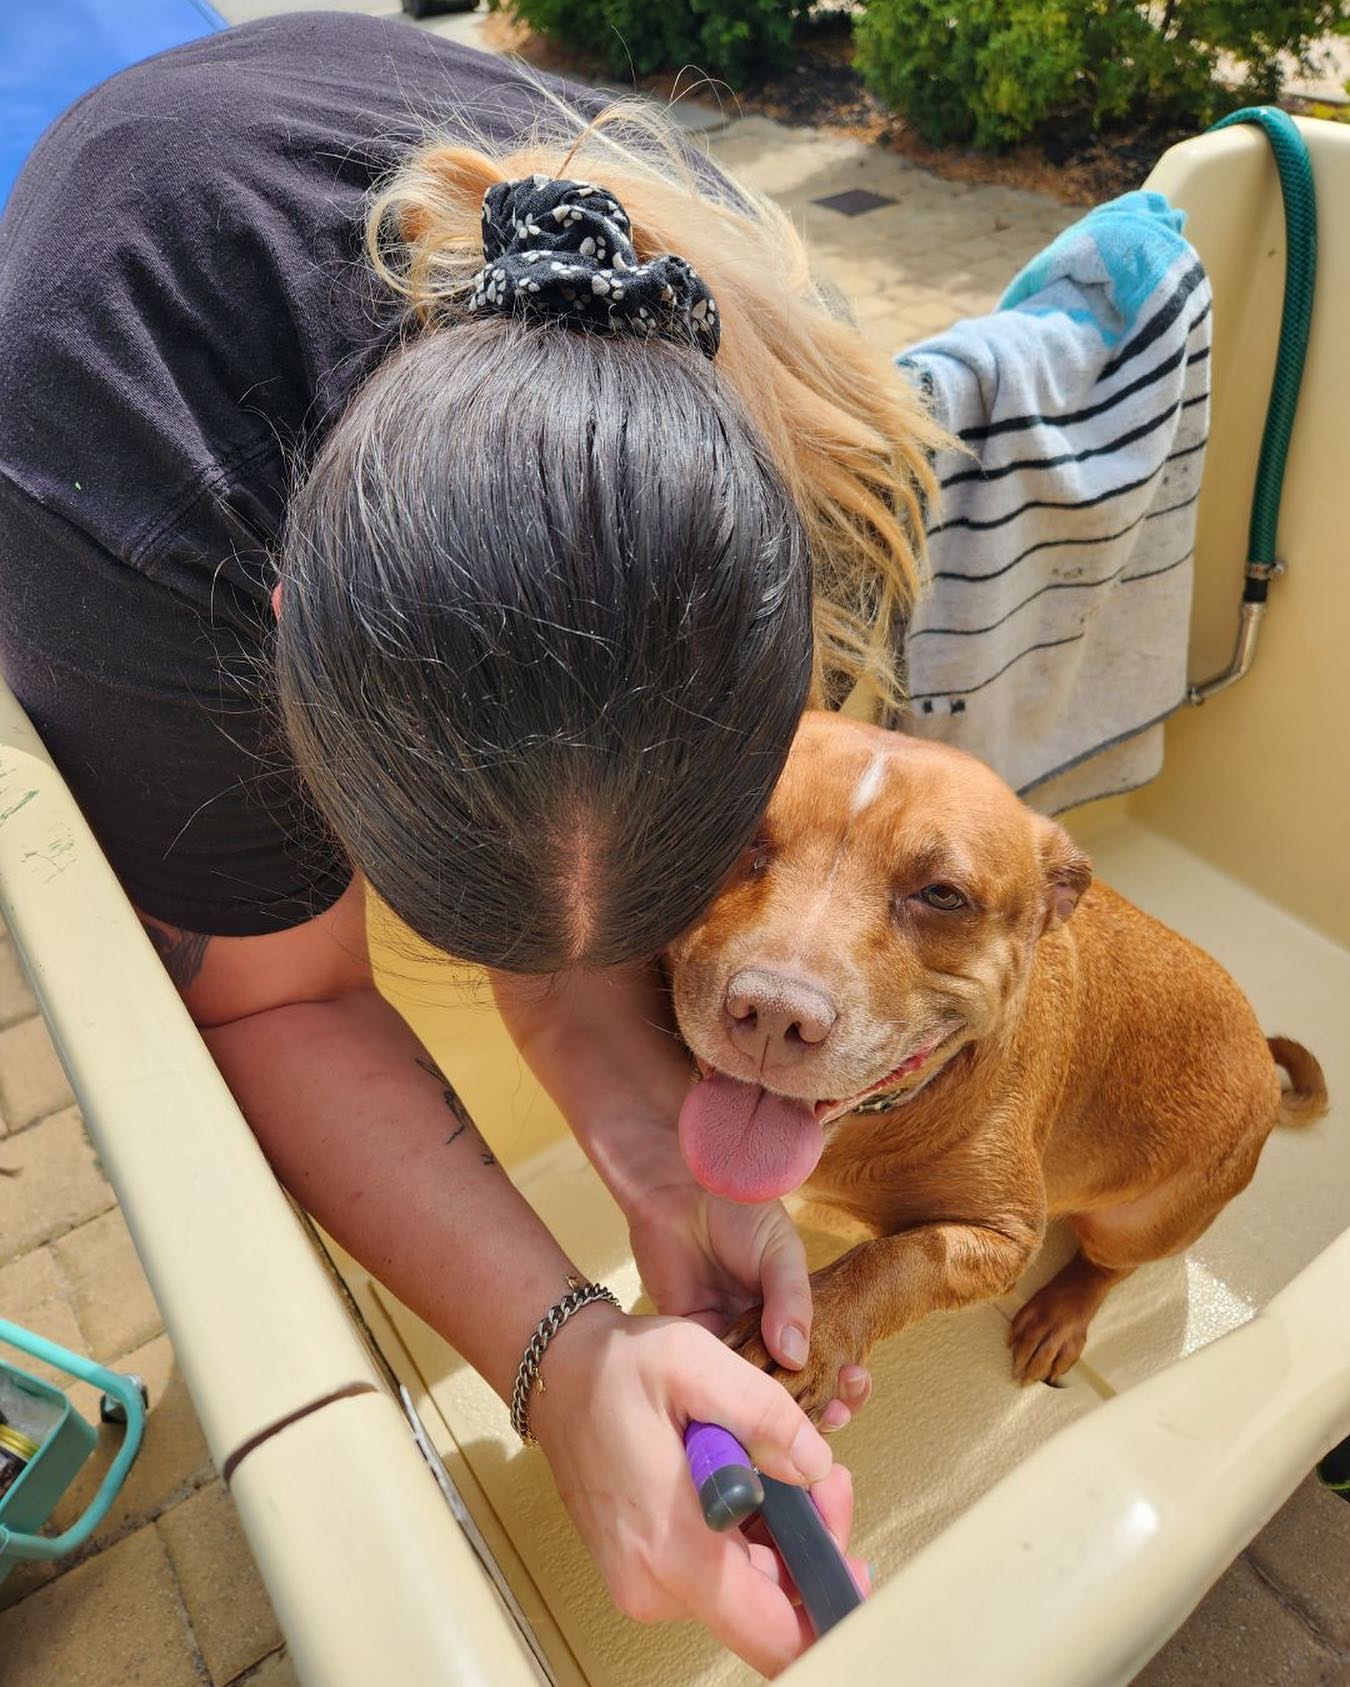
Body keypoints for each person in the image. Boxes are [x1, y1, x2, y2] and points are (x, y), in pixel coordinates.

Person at [0, 12, 939, 1671]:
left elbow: (561, 906)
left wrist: (650, 1146)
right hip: (104, 269)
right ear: (278, 638)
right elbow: (278, 997)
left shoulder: (776, 427)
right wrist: (561, 1367)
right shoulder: (120, 507)